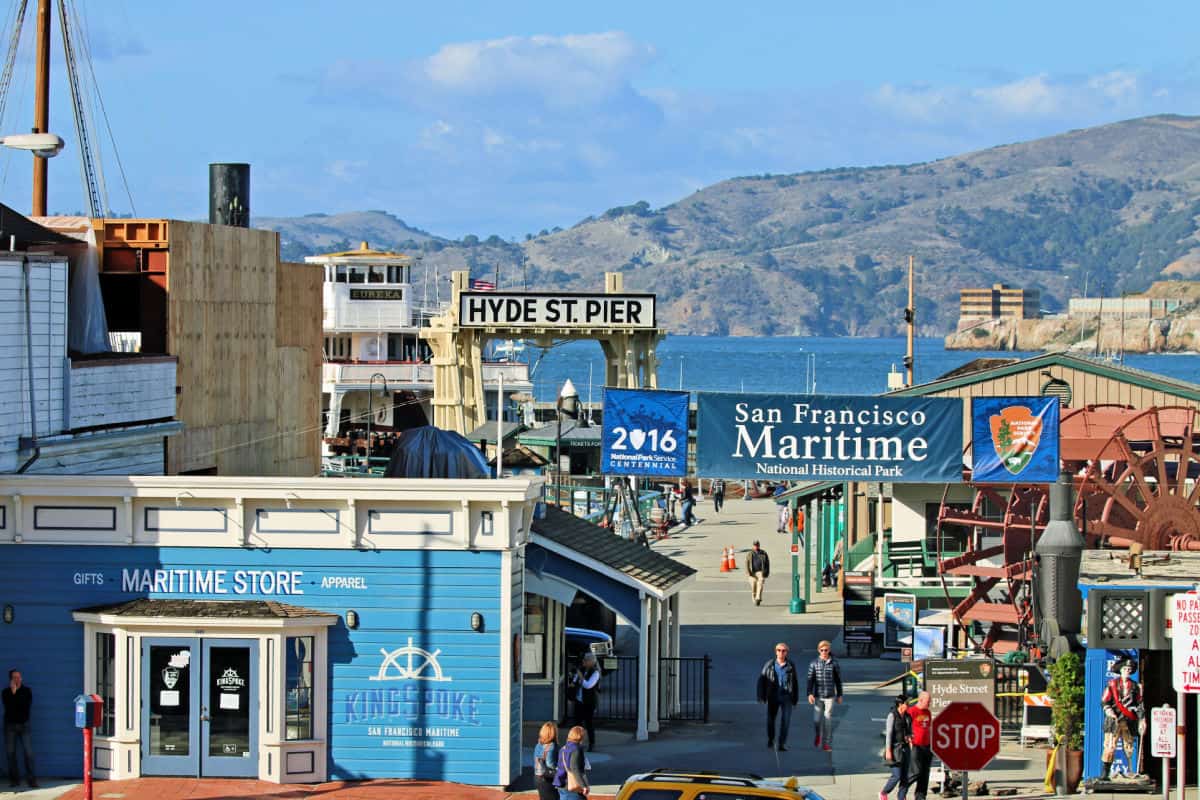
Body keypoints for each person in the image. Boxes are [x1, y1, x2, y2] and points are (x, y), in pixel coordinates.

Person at [1100, 658, 1146, 779]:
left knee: (1129, 747)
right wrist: (1109, 711)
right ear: (1120, 670)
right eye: (1125, 669)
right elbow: (1105, 702)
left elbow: (1139, 704)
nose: (1127, 671)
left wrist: (1142, 720)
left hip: (1128, 721)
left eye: (1129, 669)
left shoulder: (1136, 687)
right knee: (1110, 746)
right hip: (1114, 721)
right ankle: (1105, 773)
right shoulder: (1112, 685)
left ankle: (1131, 771)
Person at [756, 642, 799, 751]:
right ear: (775, 652)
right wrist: (761, 696)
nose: (781, 652)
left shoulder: (790, 665)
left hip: (787, 697)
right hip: (773, 696)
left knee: (786, 721)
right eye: (779, 650)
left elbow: (794, 682)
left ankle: (782, 743)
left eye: (783, 650)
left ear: (787, 652)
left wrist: (795, 699)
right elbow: (761, 680)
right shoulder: (769, 664)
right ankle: (771, 739)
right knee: (771, 720)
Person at [805, 640, 843, 751]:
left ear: (829, 650)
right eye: (822, 650)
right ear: (818, 650)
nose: (824, 652)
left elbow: (838, 680)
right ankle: (818, 735)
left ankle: (826, 743)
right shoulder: (814, 663)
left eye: (826, 650)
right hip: (818, 695)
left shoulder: (834, 663)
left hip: (830, 696)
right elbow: (810, 680)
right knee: (816, 720)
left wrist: (840, 695)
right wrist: (809, 694)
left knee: (827, 719)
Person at [2, 669, 35, 789]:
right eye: (15, 677)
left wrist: (15, 695)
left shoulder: (27, 691)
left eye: (19, 677)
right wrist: (13, 693)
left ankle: (31, 779)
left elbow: (25, 706)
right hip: (10, 726)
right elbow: (9, 708)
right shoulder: (5, 692)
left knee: (29, 753)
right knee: (11, 753)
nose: (18, 679)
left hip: (24, 725)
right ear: (11, 679)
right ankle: (14, 780)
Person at [902, 691, 934, 800]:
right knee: (916, 771)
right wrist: (909, 743)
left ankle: (920, 796)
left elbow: (928, 728)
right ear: (920, 700)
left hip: (927, 746)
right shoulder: (912, 711)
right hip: (915, 745)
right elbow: (905, 728)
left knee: (924, 774)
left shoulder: (928, 712)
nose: (929, 703)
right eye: (928, 701)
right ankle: (903, 789)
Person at [880, 693, 911, 800]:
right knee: (896, 775)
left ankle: (902, 797)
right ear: (901, 704)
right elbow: (888, 734)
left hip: (906, 748)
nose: (909, 705)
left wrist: (909, 737)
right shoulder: (892, 715)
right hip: (895, 748)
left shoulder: (907, 716)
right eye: (907, 703)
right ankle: (884, 792)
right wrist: (888, 750)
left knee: (905, 777)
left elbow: (909, 732)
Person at [569, 653, 601, 751]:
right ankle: (577, 743)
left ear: (591, 662)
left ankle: (592, 744)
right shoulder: (582, 670)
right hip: (579, 700)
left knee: (589, 723)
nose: (583, 662)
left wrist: (580, 676)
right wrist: (573, 680)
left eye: (585, 661)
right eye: (583, 660)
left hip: (589, 701)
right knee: (577, 723)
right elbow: (574, 681)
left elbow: (588, 685)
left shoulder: (595, 673)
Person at [553, 725, 590, 799]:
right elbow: (575, 768)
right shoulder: (576, 749)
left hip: (561, 783)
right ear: (580, 736)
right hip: (571, 786)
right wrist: (583, 786)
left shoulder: (563, 748)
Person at [533, 721, 559, 800]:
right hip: (547, 779)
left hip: (538, 777)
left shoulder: (538, 744)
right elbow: (550, 764)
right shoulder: (552, 746)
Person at [745, 540, 770, 605]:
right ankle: (754, 597)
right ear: (753, 546)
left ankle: (758, 598)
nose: (756, 546)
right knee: (754, 585)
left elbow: (767, 563)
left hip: (760, 572)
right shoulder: (750, 554)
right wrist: (748, 573)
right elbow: (747, 563)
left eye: (757, 545)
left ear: (759, 545)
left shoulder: (763, 553)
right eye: (755, 545)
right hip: (752, 572)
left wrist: (766, 572)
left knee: (760, 583)